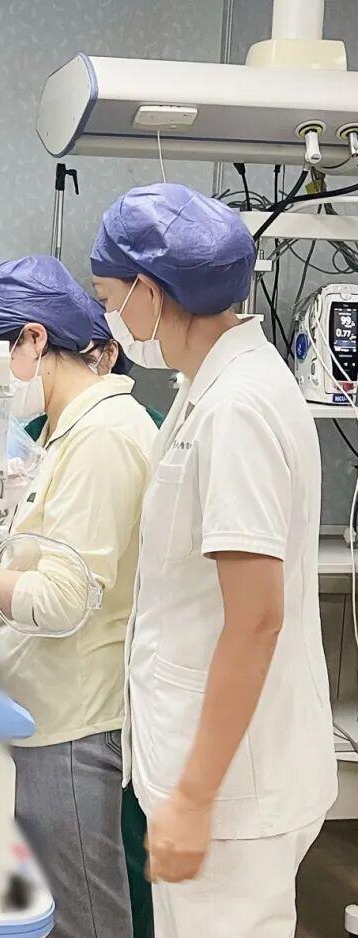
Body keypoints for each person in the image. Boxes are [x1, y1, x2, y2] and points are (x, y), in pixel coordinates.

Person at [91, 182, 337, 938]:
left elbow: (256, 619)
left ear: (149, 292)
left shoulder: (237, 409)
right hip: (212, 769)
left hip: (233, 793)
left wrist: (196, 798)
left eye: (109, 299)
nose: (110, 318)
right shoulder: (211, 387)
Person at [0, 254, 157, 938]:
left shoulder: (105, 437)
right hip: (39, 708)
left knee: (85, 920)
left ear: (34, 339)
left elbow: (61, 599)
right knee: (50, 914)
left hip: (73, 724)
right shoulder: (65, 430)